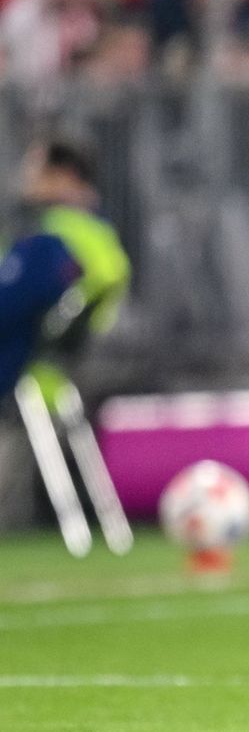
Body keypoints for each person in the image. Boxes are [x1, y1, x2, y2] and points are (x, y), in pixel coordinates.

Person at [0, 141, 130, 529]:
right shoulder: (96, 233)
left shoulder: (51, 238)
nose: (25, 179)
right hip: (61, 364)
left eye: (36, 170)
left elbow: (13, 303)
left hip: (30, 366)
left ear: (65, 177)